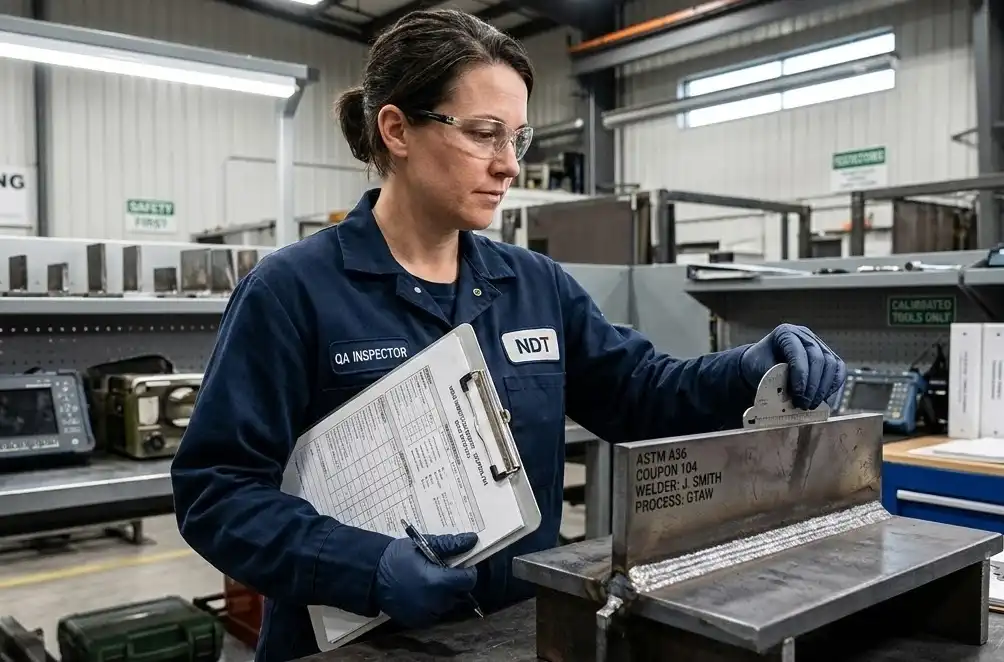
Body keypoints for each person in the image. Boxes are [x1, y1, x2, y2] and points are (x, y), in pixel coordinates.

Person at [171, 8, 846, 662]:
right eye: (485, 133)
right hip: (352, 646)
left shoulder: (534, 286)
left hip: (512, 637)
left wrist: (747, 371)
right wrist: (366, 566)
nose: (509, 166)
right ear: (397, 130)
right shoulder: (295, 291)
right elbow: (217, 490)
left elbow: (639, 392)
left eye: (516, 138)